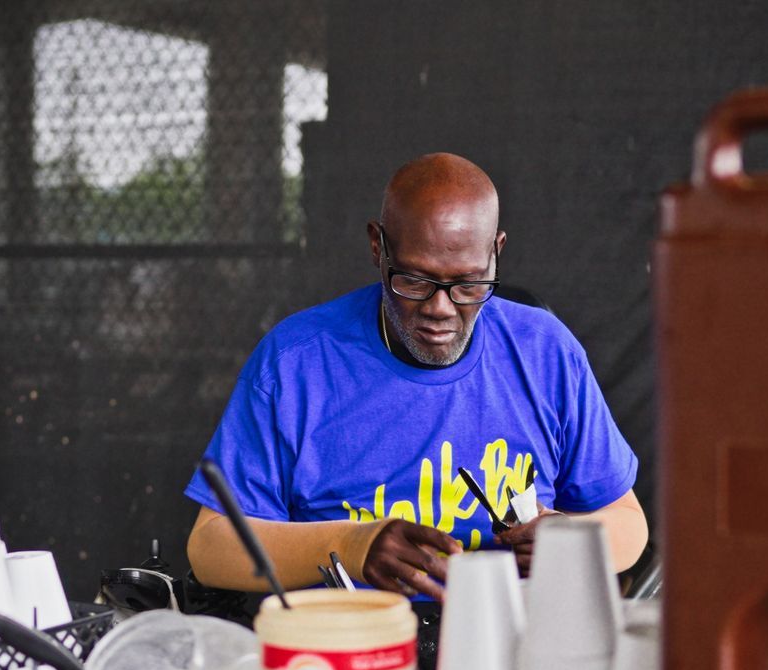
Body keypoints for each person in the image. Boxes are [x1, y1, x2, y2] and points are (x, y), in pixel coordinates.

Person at [184, 152, 647, 605]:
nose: (440, 308)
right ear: (377, 247)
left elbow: (628, 522)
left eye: (469, 283)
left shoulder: (545, 351)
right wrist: (350, 546)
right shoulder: (296, 363)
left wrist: (572, 542)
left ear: (496, 252)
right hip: (353, 637)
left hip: (514, 637)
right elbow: (210, 547)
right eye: (415, 281)